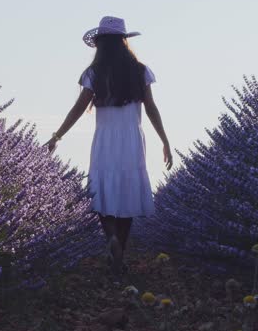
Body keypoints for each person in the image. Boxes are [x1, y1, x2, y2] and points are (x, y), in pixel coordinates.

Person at [45, 15, 173, 277]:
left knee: (102, 191)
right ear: (124, 42)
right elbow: (151, 108)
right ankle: (120, 252)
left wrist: (57, 135)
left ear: (101, 44)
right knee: (127, 193)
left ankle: (110, 238)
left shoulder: (94, 73)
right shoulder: (140, 71)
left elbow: (78, 109)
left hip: (105, 138)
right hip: (132, 139)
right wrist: (165, 141)